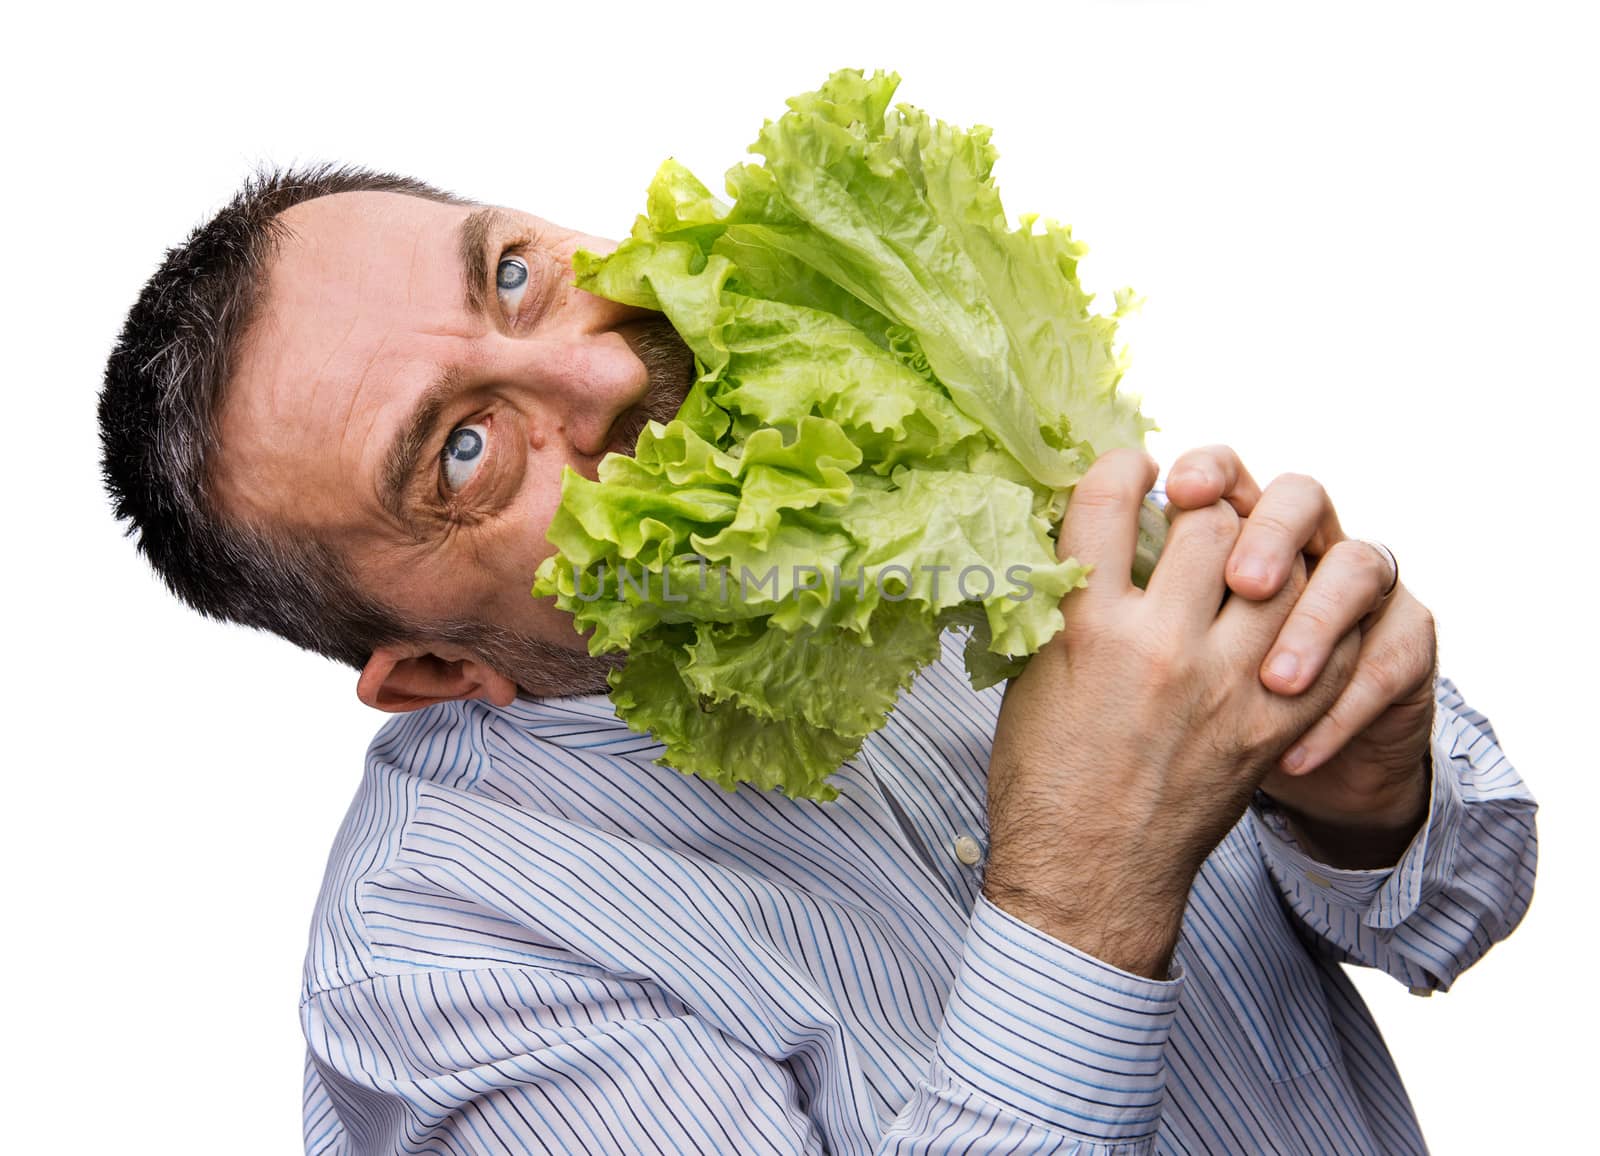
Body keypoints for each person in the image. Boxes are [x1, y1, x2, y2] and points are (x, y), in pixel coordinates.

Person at [99, 165, 1536, 1155]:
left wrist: (1359, 787)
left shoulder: (887, 485)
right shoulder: (438, 980)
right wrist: (1080, 894)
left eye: (517, 276)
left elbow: (1456, 904)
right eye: (465, 450)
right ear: (423, 669)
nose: (598, 377)